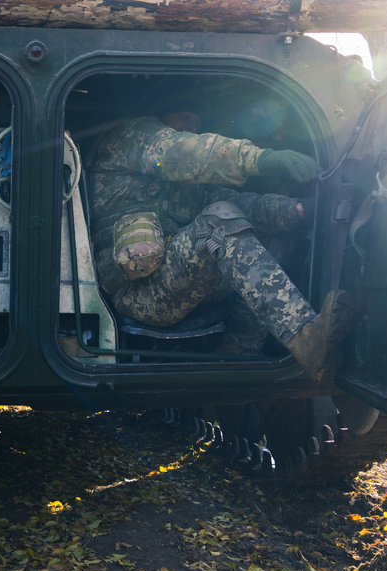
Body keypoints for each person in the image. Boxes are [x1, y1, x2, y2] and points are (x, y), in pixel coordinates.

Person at [88, 102, 353, 378]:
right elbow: (187, 152)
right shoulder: (134, 137)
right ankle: (304, 337)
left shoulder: (187, 185)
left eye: (198, 124)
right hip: (138, 293)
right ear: (163, 114)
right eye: (187, 115)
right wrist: (263, 159)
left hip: (185, 284)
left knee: (274, 241)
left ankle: (240, 350)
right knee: (217, 223)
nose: (193, 127)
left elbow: (242, 206)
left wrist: (298, 211)